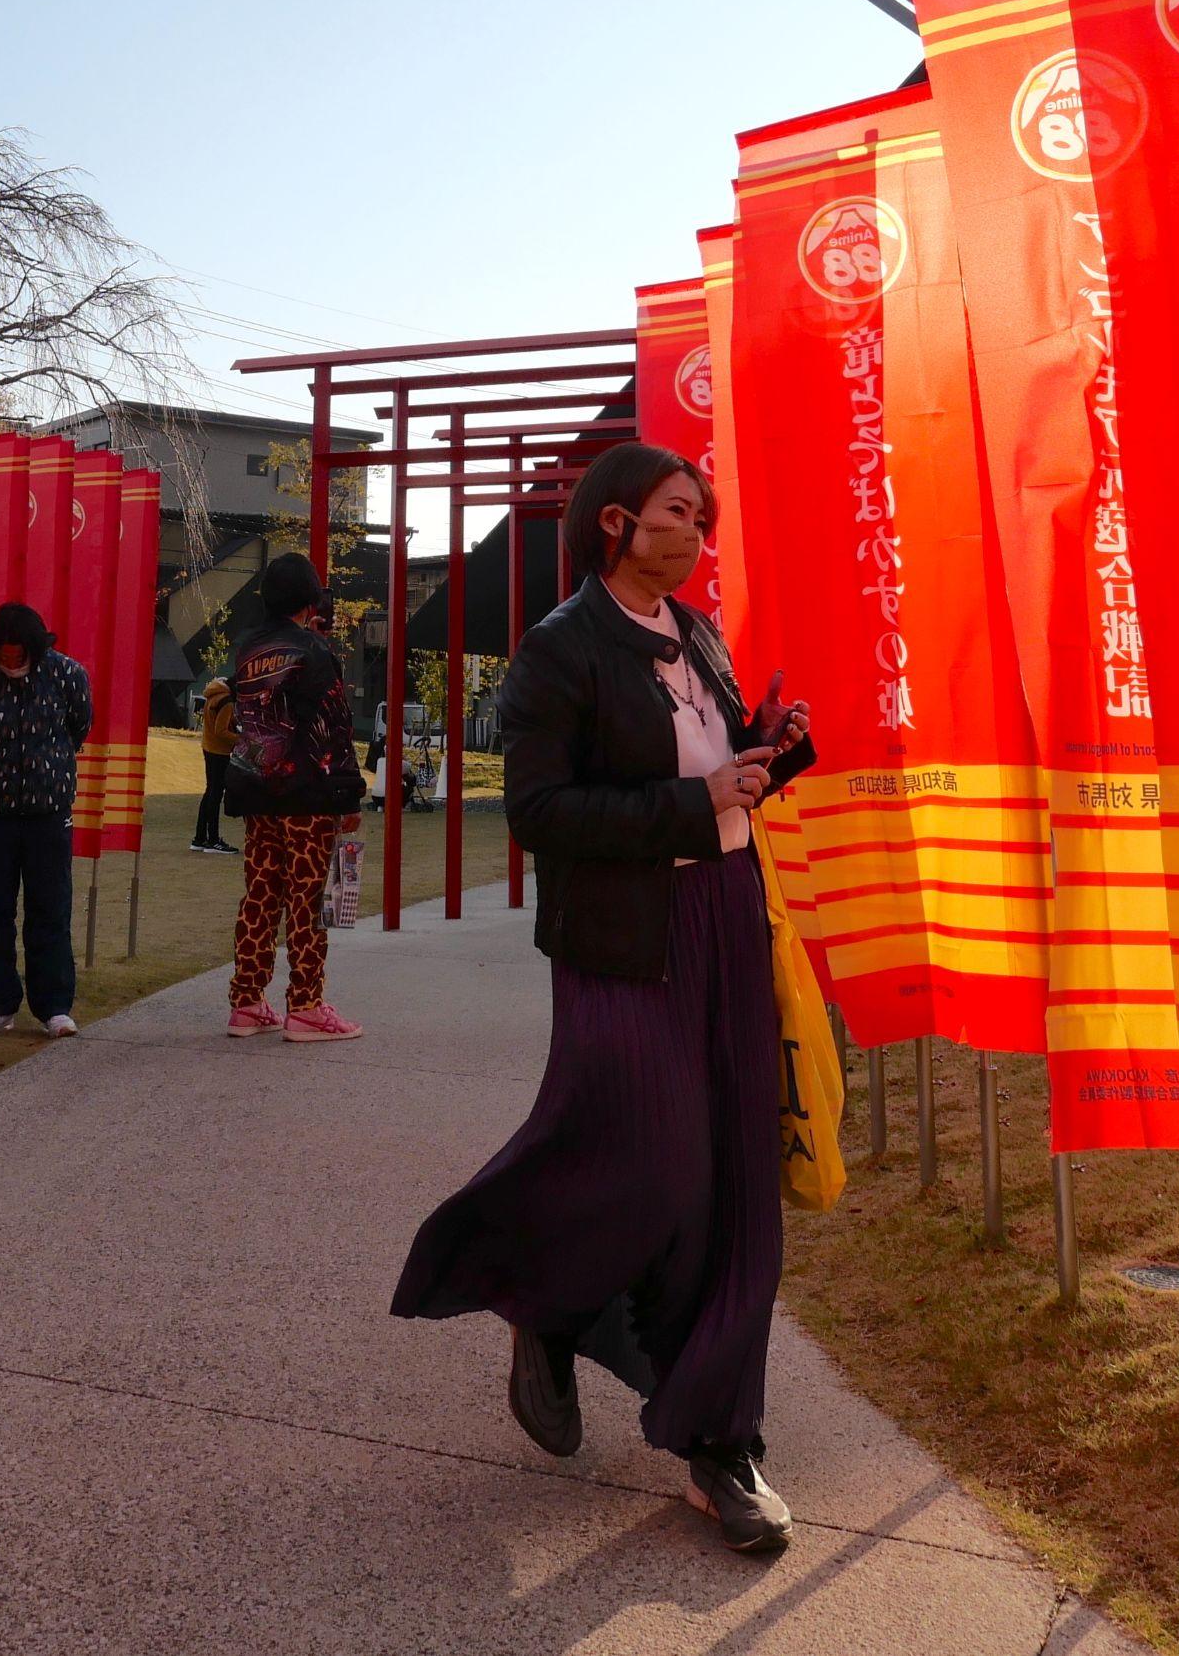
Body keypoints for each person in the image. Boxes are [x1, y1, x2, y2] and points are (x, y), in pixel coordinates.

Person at [389, 441, 811, 1555]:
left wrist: (772, 753)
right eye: (681, 513)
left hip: (724, 917)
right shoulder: (559, 647)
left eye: (704, 516)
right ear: (615, 522)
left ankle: (721, 1441)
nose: (698, 533)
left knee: (734, 1184)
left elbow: (717, 783)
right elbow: (538, 811)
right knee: (651, 1159)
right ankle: (546, 1300)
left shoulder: (697, 635)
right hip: (622, 939)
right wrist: (691, 801)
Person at [221, 553, 367, 1043]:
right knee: (306, 902)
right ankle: (305, 1004)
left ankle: (246, 1000)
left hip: (258, 787)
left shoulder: (246, 649)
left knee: (260, 894)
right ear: (309, 601)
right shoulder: (315, 651)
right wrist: (348, 795)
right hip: (306, 795)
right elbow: (334, 728)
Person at [0, 600, 92, 1037]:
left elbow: (80, 727)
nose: (10, 661)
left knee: (50, 909)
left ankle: (54, 1006)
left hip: (49, 812)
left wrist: (47, 768)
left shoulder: (68, 674)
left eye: (18, 654)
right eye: (3, 653)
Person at [189, 675, 239, 853]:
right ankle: (213, 840)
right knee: (215, 795)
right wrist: (241, 739)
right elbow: (221, 730)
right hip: (219, 752)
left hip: (208, 747)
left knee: (209, 792)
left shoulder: (214, 693)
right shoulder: (227, 702)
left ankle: (200, 838)